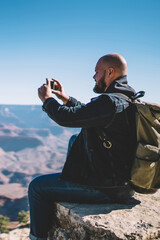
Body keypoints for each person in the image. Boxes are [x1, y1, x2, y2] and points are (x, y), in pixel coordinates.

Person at [28, 53, 137, 240]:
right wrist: (66, 98)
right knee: (73, 139)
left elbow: (66, 118)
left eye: (97, 72)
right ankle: (70, 180)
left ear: (110, 72)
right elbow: (87, 113)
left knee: (37, 186)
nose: (94, 76)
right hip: (119, 180)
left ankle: (37, 237)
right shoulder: (126, 99)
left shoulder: (110, 102)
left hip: (107, 188)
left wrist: (47, 100)